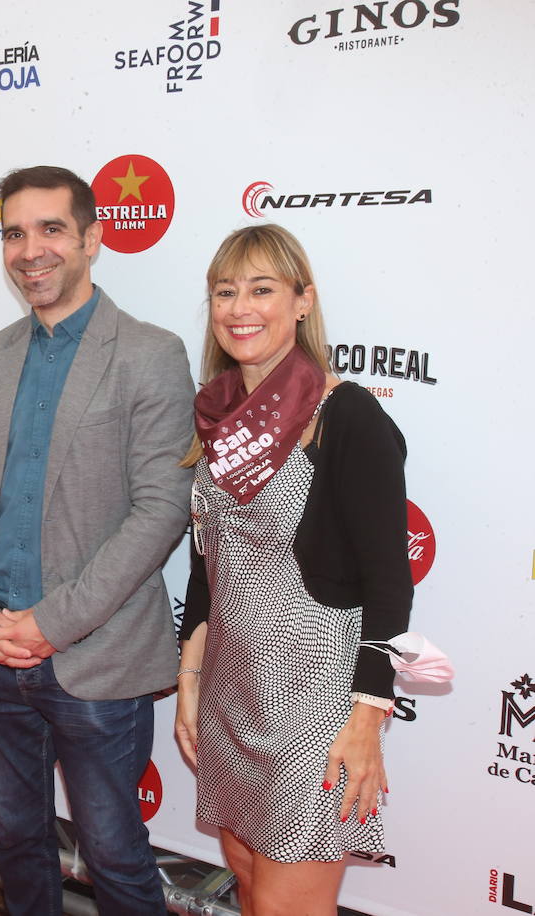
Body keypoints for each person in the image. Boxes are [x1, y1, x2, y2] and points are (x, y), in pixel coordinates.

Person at [0, 165, 193, 914]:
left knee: (116, 858)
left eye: (51, 229)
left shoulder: (150, 352)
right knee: (16, 841)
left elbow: (160, 511)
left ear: (92, 238)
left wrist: (50, 624)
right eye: (14, 232)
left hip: (96, 657)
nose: (30, 250)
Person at [173, 223, 411, 916]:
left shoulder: (348, 417)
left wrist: (365, 721)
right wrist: (190, 681)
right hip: (231, 695)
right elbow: (204, 568)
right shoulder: (218, 415)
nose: (240, 307)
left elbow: (389, 585)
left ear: (302, 302)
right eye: (226, 291)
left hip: (314, 705)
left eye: (262, 289)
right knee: (248, 884)